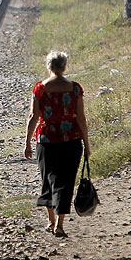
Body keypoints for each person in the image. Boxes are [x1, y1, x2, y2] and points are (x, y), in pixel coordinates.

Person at [23, 50, 90, 237]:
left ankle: (51, 220)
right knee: (66, 182)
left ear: (49, 66)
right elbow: (81, 119)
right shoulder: (75, 89)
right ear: (64, 66)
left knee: (49, 179)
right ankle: (59, 224)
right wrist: (87, 144)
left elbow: (33, 116)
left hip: (46, 140)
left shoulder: (39, 89)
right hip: (72, 140)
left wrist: (27, 141)